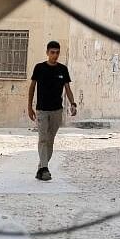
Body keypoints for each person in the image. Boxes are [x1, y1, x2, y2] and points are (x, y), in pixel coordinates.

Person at [27, 40, 77, 181]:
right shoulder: (39, 68)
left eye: (57, 52)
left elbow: (68, 89)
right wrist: (29, 107)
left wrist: (73, 103)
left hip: (57, 110)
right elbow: (32, 88)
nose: (55, 55)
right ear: (47, 53)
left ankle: (41, 168)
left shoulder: (62, 69)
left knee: (50, 140)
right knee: (42, 139)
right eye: (52, 52)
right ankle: (45, 169)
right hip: (42, 110)